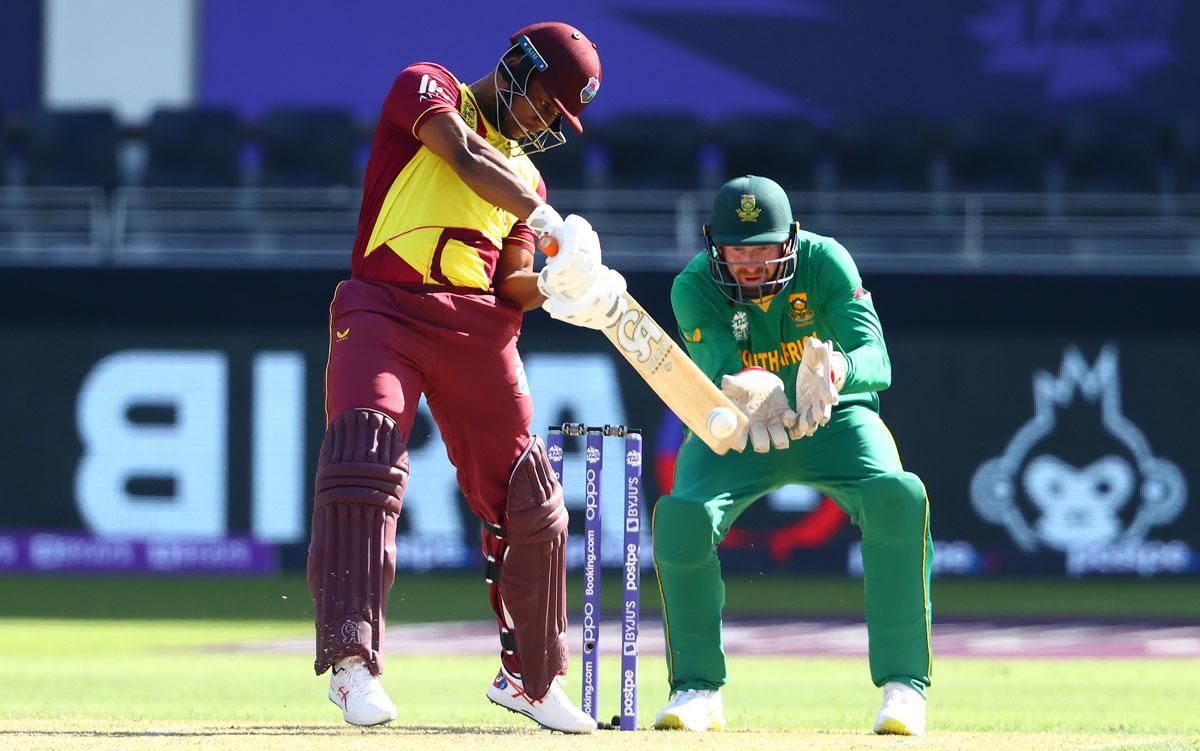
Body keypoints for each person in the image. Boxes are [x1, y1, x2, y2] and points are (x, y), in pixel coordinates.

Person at [305, 21, 627, 734]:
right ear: (517, 64)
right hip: (384, 305)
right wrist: (546, 220)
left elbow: (510, 281)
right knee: (366, 455)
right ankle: (353, 661)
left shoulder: (530, 179)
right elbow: (462, 153)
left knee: (531, 493)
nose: (545, 119)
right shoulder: (428, 86)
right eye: (545, 99)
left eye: (559, 117)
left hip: (476, 325)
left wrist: (562, 286)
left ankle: (532, 679)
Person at [651, 175, 933, 736]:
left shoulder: (826, 261)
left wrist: (835, 372)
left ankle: (904, 690)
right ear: (714, 245)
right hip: (742, 428)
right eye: (737, 249)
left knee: (897, 497)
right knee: (682, 517)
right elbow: (717, 369)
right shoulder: (694, 285)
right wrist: (749, 385)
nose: (750, 263)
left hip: (834, 419)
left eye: (762, 248)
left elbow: (876, 357)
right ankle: (698, 690)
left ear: (791, 240)